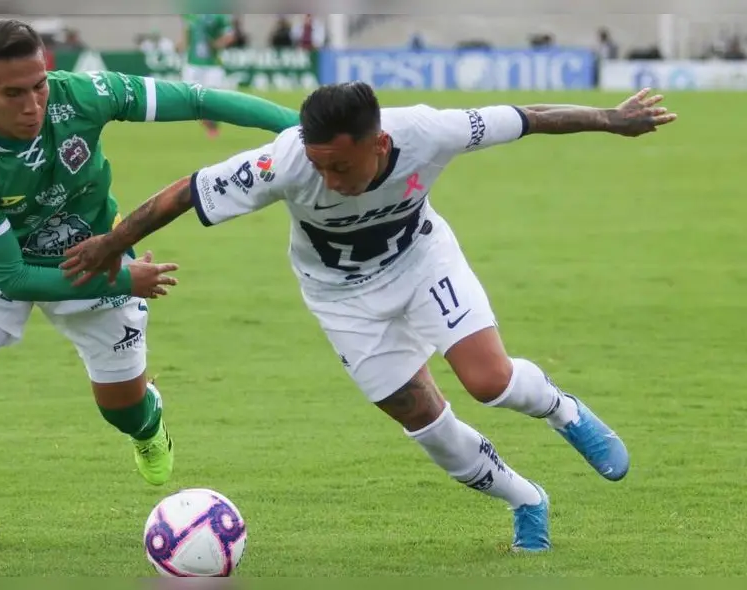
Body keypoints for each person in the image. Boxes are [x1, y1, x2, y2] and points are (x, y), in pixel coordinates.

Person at [59, 82, 678, 552]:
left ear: (380, 143)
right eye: (320, 164)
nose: (328, 179)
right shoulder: (286, 162)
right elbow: (185, 191)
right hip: (340, 299)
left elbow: (530, 119)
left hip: (423, 263)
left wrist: (613, 121)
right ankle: (526, 499)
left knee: (490, 382)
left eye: (341, 166)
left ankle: (564, 412)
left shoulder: (429, 131)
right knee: (423, 422)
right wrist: (114, 244)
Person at [0, 18, 299, 556]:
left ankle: (148, 423)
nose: (33, 104)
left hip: (93, 249)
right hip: (10, 262)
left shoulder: (85, 95)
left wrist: (303, 128)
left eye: (40, 85)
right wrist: (127, 277)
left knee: (121, 408)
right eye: (13, 93)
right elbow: (13, 278)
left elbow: (195, 99)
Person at [180, 14, 236, 137]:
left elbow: (230, 35)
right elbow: (186, 31)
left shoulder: (220, 16)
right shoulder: (190, 14)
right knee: (192, 98)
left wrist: (218, 44)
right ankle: (209, 125)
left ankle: (213, 126)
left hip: (212, 64)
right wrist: (183, 45)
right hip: (192, 63)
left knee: (212, 97)